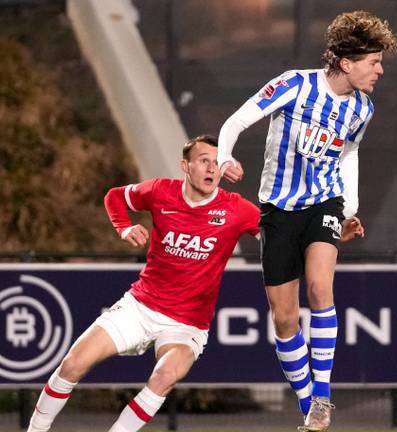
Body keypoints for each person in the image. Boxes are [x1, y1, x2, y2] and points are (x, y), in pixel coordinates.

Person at [216, 10, 397, 432]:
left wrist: (348, 207)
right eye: (373, 61)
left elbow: (349, 153)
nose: (379, 70)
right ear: (346, 62)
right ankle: (310, 409)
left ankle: (323, 396)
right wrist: (225, 156)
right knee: (284, 319)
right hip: (278, 209)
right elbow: (238, 120)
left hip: (324, 203)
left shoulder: (362, 109)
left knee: (320, 287)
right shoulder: (295, 84)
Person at [26, 134, 260, 432]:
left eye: (217, 163)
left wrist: (325, 230)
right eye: (204, 161)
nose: (211, 169)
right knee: (72, 364)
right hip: (140, 307)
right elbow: (114, 197)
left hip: (186, 323)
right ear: (185, 166)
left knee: (164, 376)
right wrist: (123, 228)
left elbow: (277, 230)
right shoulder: (161, 191)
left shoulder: (236, 209)